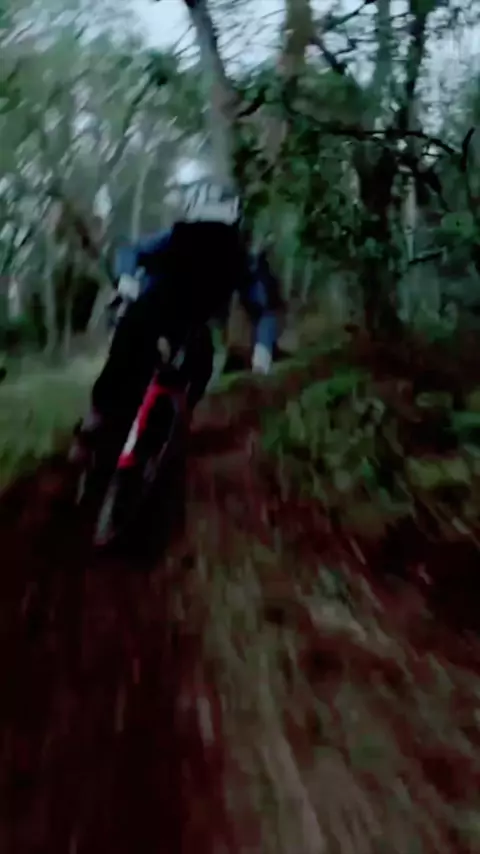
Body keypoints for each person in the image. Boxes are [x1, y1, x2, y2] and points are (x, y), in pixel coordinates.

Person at [69, 181, 279, 464]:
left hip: (192, 327)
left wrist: (263, 348)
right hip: (151, 310)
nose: (208, 246)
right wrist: (127, 278)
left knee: (201, 366)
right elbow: (131, 251)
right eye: (202, 234)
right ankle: (96, 419)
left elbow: (263, 309)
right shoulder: (174, 239)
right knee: (126, 351)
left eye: (218, 237)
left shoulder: (239, 260)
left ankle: (176, 427)